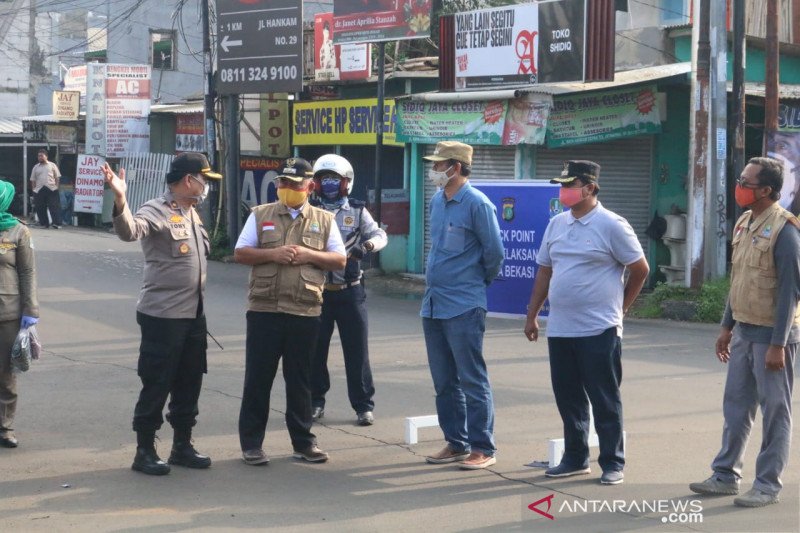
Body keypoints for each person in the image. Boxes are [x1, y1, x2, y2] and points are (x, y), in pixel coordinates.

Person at [524, 160, 649, 486]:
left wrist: (620, 310)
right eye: (562, 186)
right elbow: (545, 271)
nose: (563, 191)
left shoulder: (612, 225)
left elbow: (640, 270)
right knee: (568, 397)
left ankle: (612, 462)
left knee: (604, 397)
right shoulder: (557, 224)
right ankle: (575, 458)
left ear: (590, 188)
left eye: (569, 185)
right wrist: (532, 314)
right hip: (561, 327)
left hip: (599, 328)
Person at [101, 152, 222, 476]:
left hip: (193, 315)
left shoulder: (192, 213)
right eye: (204, 179)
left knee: (190, 381)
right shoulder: (157, 209)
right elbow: (130, 231)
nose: (206, 186)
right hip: (163, 316)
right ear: (188, 180)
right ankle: (145, 450)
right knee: (157, 382)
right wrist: (121, 198)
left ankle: (182, 445)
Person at [689, 157, 799, 508]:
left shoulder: (786, 230)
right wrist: (726, 327)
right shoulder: (744, 222)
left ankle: (767, 485)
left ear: (766, 190)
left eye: (746, 182)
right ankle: (725, 475)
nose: (739, 185)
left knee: (775, 412)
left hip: (772, 337)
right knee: (736, 407)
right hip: (743, 331)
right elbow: (738, 281)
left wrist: (778, 345)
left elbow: (788, 292)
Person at [235, 157, 346, 466]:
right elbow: (240, 252)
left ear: (309, 187)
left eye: (295, 185)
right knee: (258, 379)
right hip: (264, 309)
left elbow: (340, 260)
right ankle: (252, 444)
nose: (287, 189)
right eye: (283, 184)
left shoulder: (324, 219)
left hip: (304, 310)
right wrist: (274, 253)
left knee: (300, 381)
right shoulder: (261, 215)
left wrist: (309, 254)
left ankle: (303, 442)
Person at [421, 141, 504, 470]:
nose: (435, 171)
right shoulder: (437, 201)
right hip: (433, 303)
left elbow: (494, 254)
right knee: (443, 379)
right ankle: (456, 441)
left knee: (471, 378)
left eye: (440, 165)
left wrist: (474, 284)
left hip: (464, 304)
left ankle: (482, 446)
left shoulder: (477, 203)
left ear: (456, 167)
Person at [309, 154, 388, 426]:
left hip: (350, 290)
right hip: (316, 292)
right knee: (314, 351)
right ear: (315, 183)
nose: (329, 184)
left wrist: (365, 247)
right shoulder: (308, 210)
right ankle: (315, 402)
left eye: (335, 179)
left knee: (357, 352)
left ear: (346, 183)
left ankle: (363, 406)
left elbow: (380, 236)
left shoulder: (357, 210)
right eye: (323, 179)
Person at [0, 180, 38, 449]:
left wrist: (31, 310)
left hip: (8, 312)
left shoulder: (18, 231)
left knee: (6, 374)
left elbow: (27, 272)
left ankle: (5, 427)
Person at [29, 149, 62, 229]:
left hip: (51, 189)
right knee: (40, 207)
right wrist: (34, 190)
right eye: (38, 156)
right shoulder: (35, 167)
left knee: (54, 206)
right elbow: (33, 179)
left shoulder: (52, 165)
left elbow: (57, 177)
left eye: (41, 156)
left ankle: (57, 224)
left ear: (46, 156)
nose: (39, 157)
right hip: (39, 189)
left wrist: (56, 187)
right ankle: (44, 224)